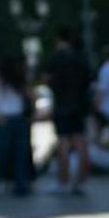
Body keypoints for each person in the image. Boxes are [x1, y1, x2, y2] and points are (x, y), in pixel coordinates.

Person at [43, 28, 92, 195]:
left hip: (63, 104)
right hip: (79, 104)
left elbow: (47, 79)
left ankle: (63, 182)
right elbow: (90, 79)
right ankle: (82, 181)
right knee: (80, 142)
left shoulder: (56, 57)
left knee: (63, 142)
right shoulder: (80, 57)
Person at [0, 54, 33, 197]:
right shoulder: (10, 79)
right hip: (15, 119)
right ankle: (20, 185)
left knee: (4, 155)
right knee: (19, 155)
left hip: (7, 119)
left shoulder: (0, 79)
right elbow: (31, 96)